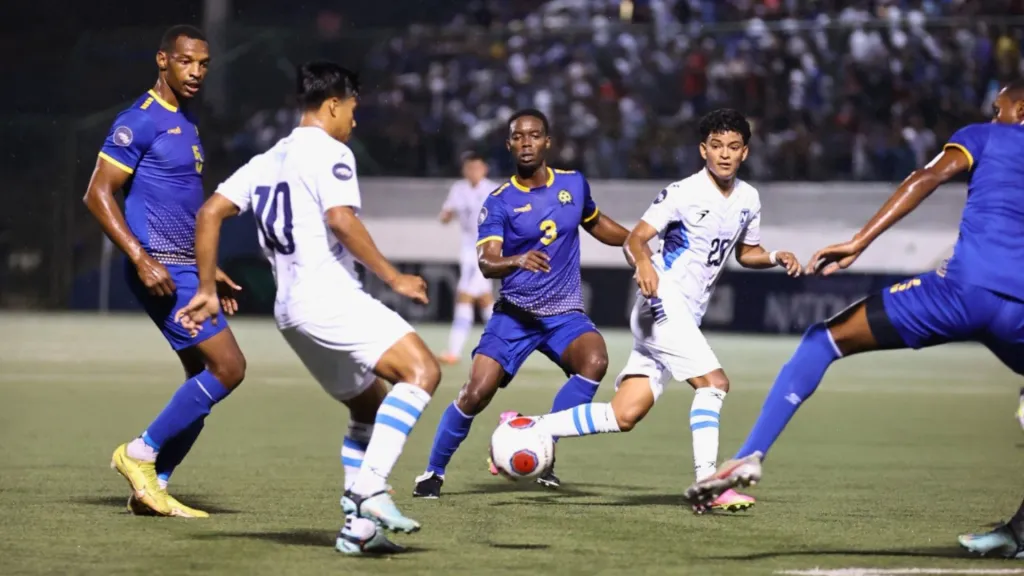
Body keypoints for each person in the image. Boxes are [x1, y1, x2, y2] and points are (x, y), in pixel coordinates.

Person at [682, 81, 1024, 557]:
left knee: (823, 340)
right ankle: (1019, 532)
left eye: (997, 108)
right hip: (1019, 311)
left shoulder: (985, 136)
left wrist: (860, 241)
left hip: (961, 293)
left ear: (1019, 109)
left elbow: (925, 178)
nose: (992, 116)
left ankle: (751, 454)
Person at [176, 61, 440, 551]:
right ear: (334, 104)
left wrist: (206, 285)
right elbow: (340, 219)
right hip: (327, 298)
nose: (355, 120)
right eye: (354, 108)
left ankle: (359, 532)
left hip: (291, 312)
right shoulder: (332, 152)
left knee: (368, 405)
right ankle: (369, 488)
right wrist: (394, 276)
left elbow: (210, 212)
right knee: (422, 371)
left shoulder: (266, 160)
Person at [519, 109, 800, 512]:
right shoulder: (682, 193)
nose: (724, 154)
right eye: (716, 146)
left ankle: (530, 426)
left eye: (733, 147)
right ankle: (709, 484)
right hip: (661, 303)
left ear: (745, 152)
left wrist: (773, 256)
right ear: (703, 150)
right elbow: (635, 239)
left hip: (685, 314)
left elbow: (746, 252)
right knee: (714, 384)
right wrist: (645, 264)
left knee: (624, 414)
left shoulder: (749, 199)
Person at [412, 109, 632, 499]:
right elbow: (486, 262)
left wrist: (636, 241)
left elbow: (597, 223)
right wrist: (517, 259)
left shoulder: (573, 184)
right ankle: (433, 472)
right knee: (475, 393)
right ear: (509, 144)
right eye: (518, 136)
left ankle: (539, 439)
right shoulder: (499, 202)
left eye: (534, 135)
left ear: (548, 141)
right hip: (515, 316)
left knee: (595, 361)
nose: (526, 142)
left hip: (564, 315)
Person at [83, 24, 246, 518]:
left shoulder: (187, 123)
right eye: (185, 61)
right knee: (229, 368)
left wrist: (209, 269)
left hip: (186, 268)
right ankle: (140, 453)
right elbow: (97, 193)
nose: (196, 72)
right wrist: (140, 257)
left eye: (203, 64)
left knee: (202, 377)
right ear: (162, 60)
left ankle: (153, 486)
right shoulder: (141, 120)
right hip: (161, 270)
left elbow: (183, 206)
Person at [438, 151, 498, 365]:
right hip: (467, 251)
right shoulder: (458, 189)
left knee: (464, 296)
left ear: (484, 169)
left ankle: (454, 351)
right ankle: (506, 344)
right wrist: (446, 216)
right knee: (485, 300)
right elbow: (445, 215)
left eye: (476, 167)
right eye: (469, 168)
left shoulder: (493, 190)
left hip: (487, 249)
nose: (473, 172)